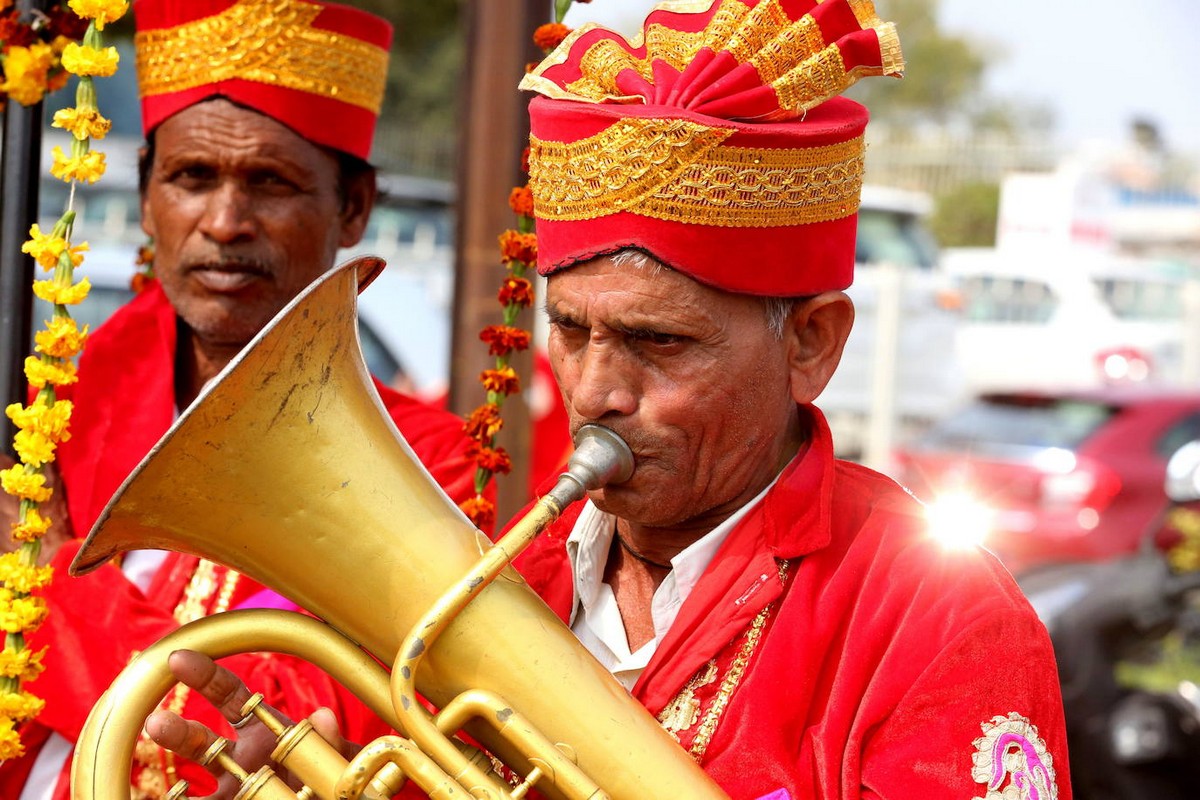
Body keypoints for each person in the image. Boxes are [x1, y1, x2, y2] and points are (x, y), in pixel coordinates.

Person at [144, 1, 1071, 798]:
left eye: (659, 342)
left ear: (812, 345)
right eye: (573, 330)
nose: (594, 390)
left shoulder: (941, 623)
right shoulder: (516, 584)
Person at [0, 1, 488, 798]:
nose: (225, 222)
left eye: (272, 183)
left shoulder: (430, 469)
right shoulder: (46, 410)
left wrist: (45, 575)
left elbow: (280, 739)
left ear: (355, 206)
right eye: (192, 178)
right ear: (148, 194)